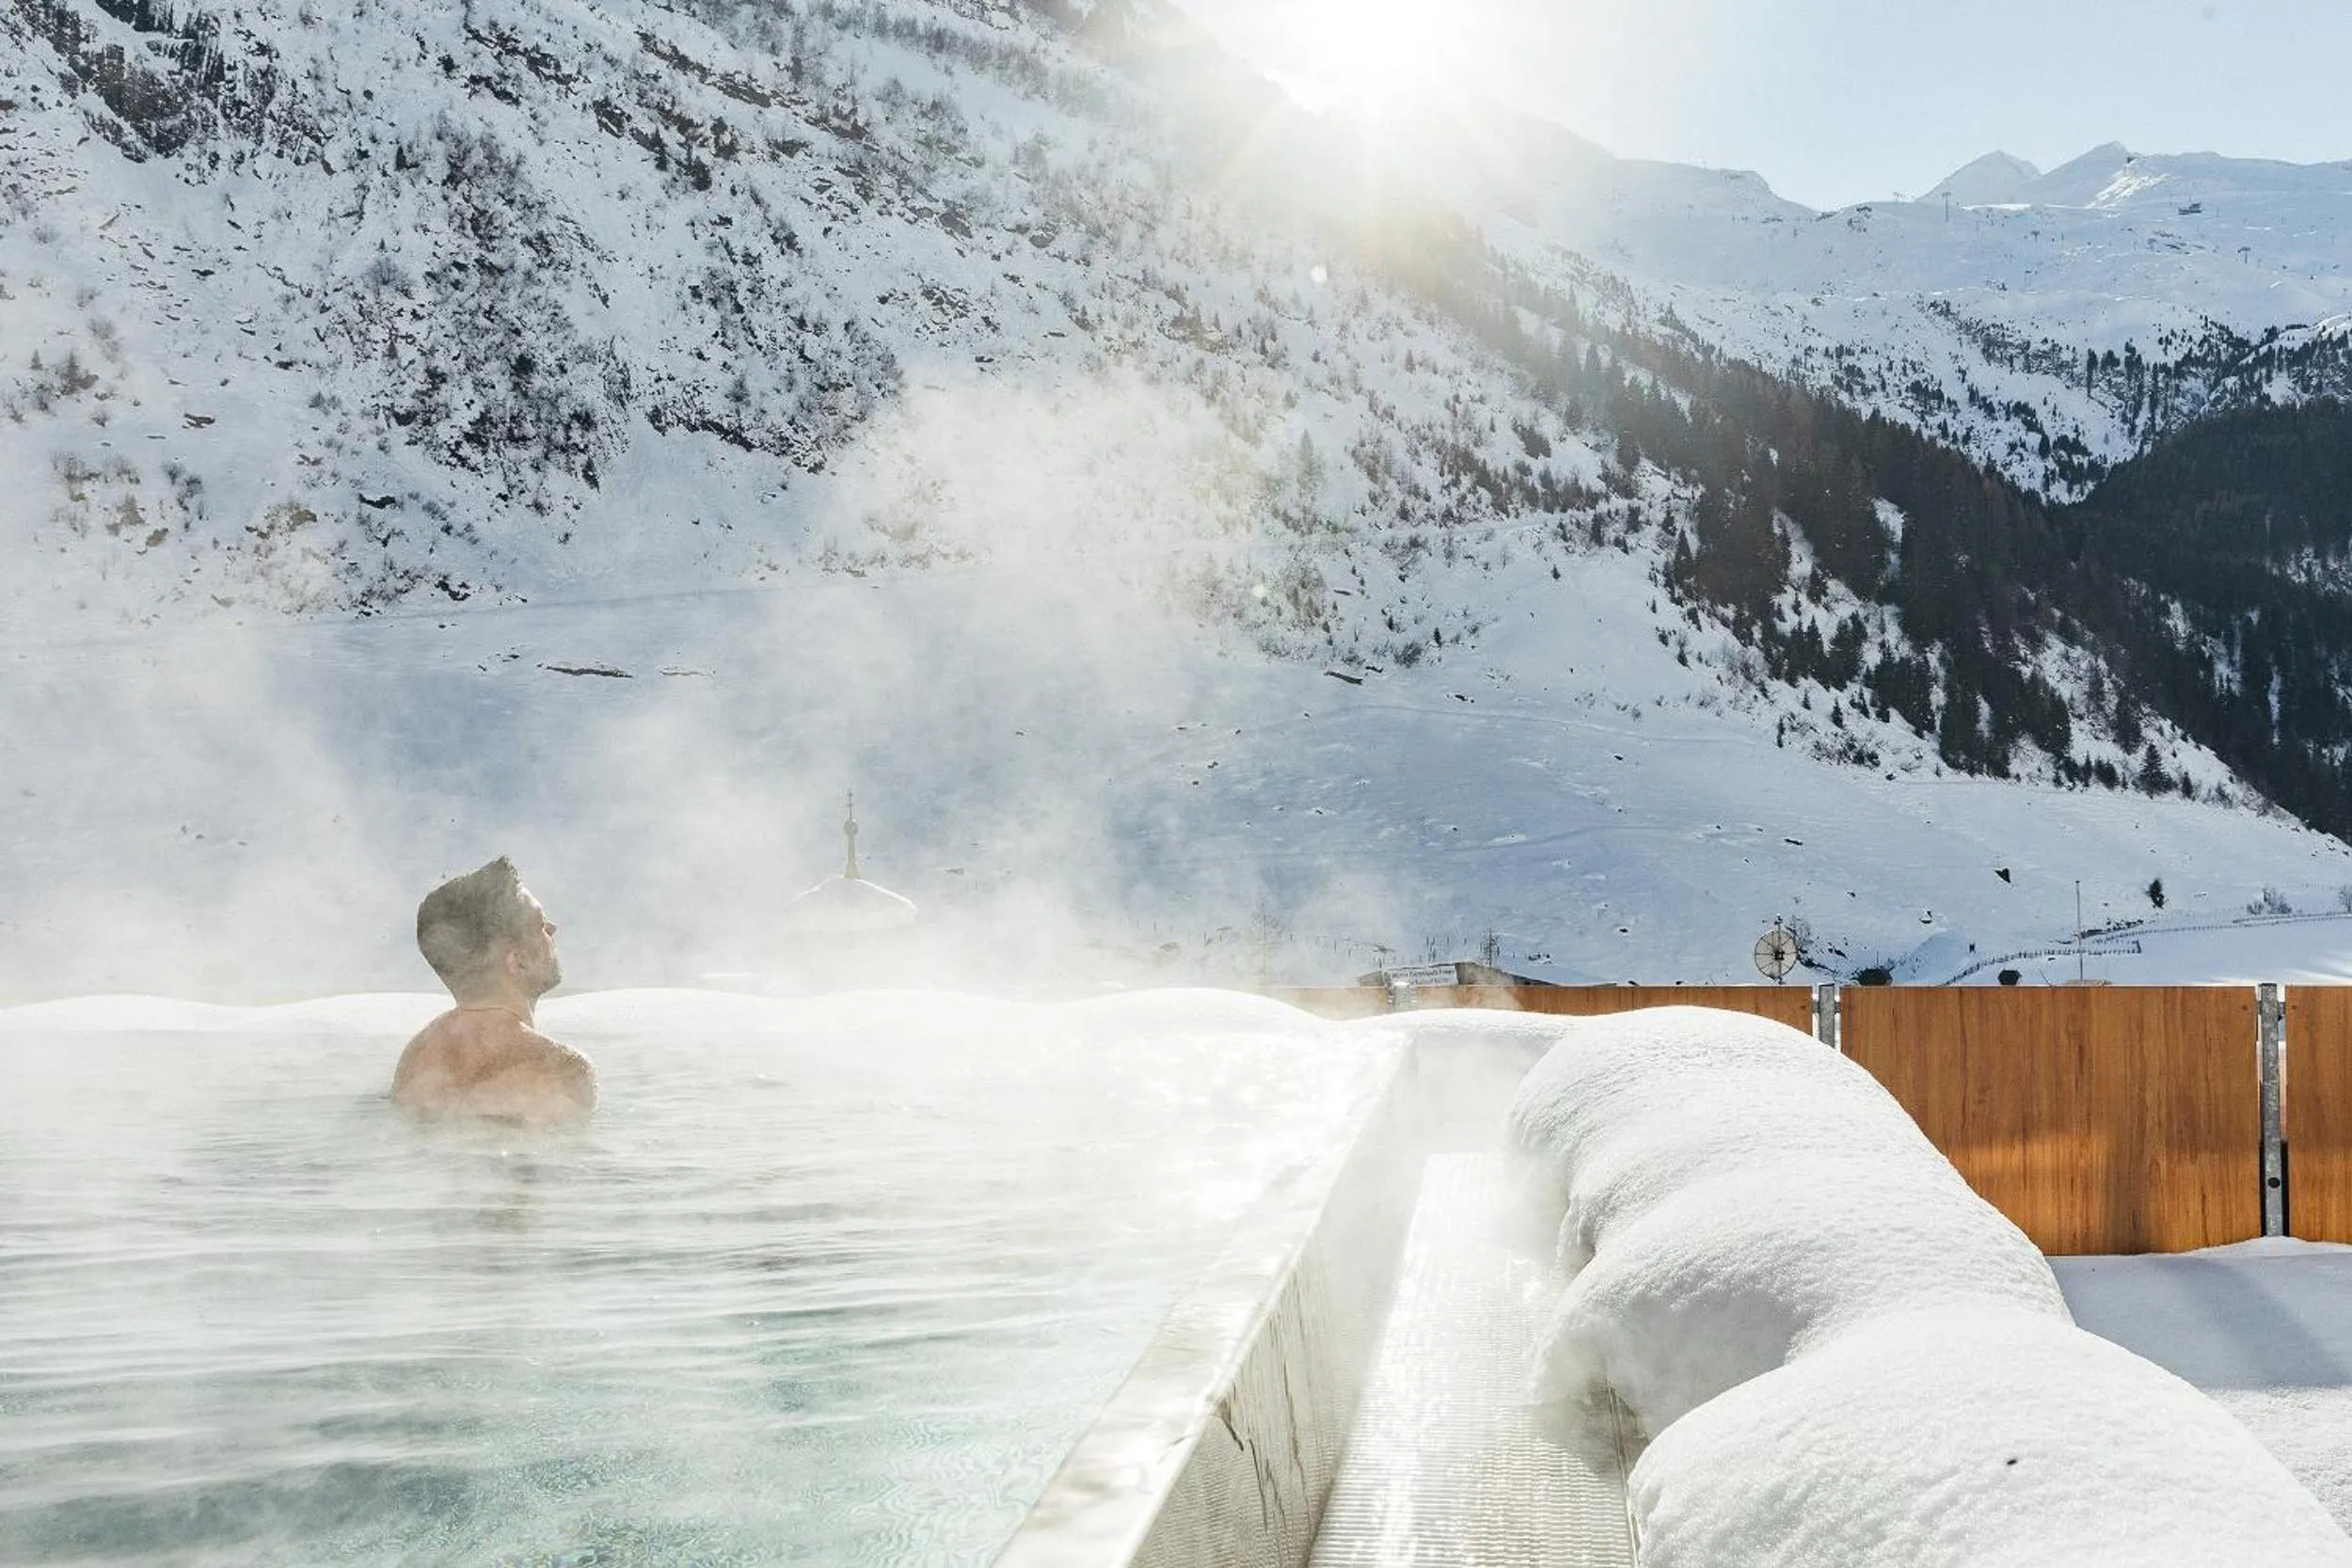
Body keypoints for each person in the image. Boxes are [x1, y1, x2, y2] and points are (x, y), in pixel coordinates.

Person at [392, 857, 596, 1122]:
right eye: (539, 923)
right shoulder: (562, 1070)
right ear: (517, 961)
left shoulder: (415, 1062)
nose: (552, 928)